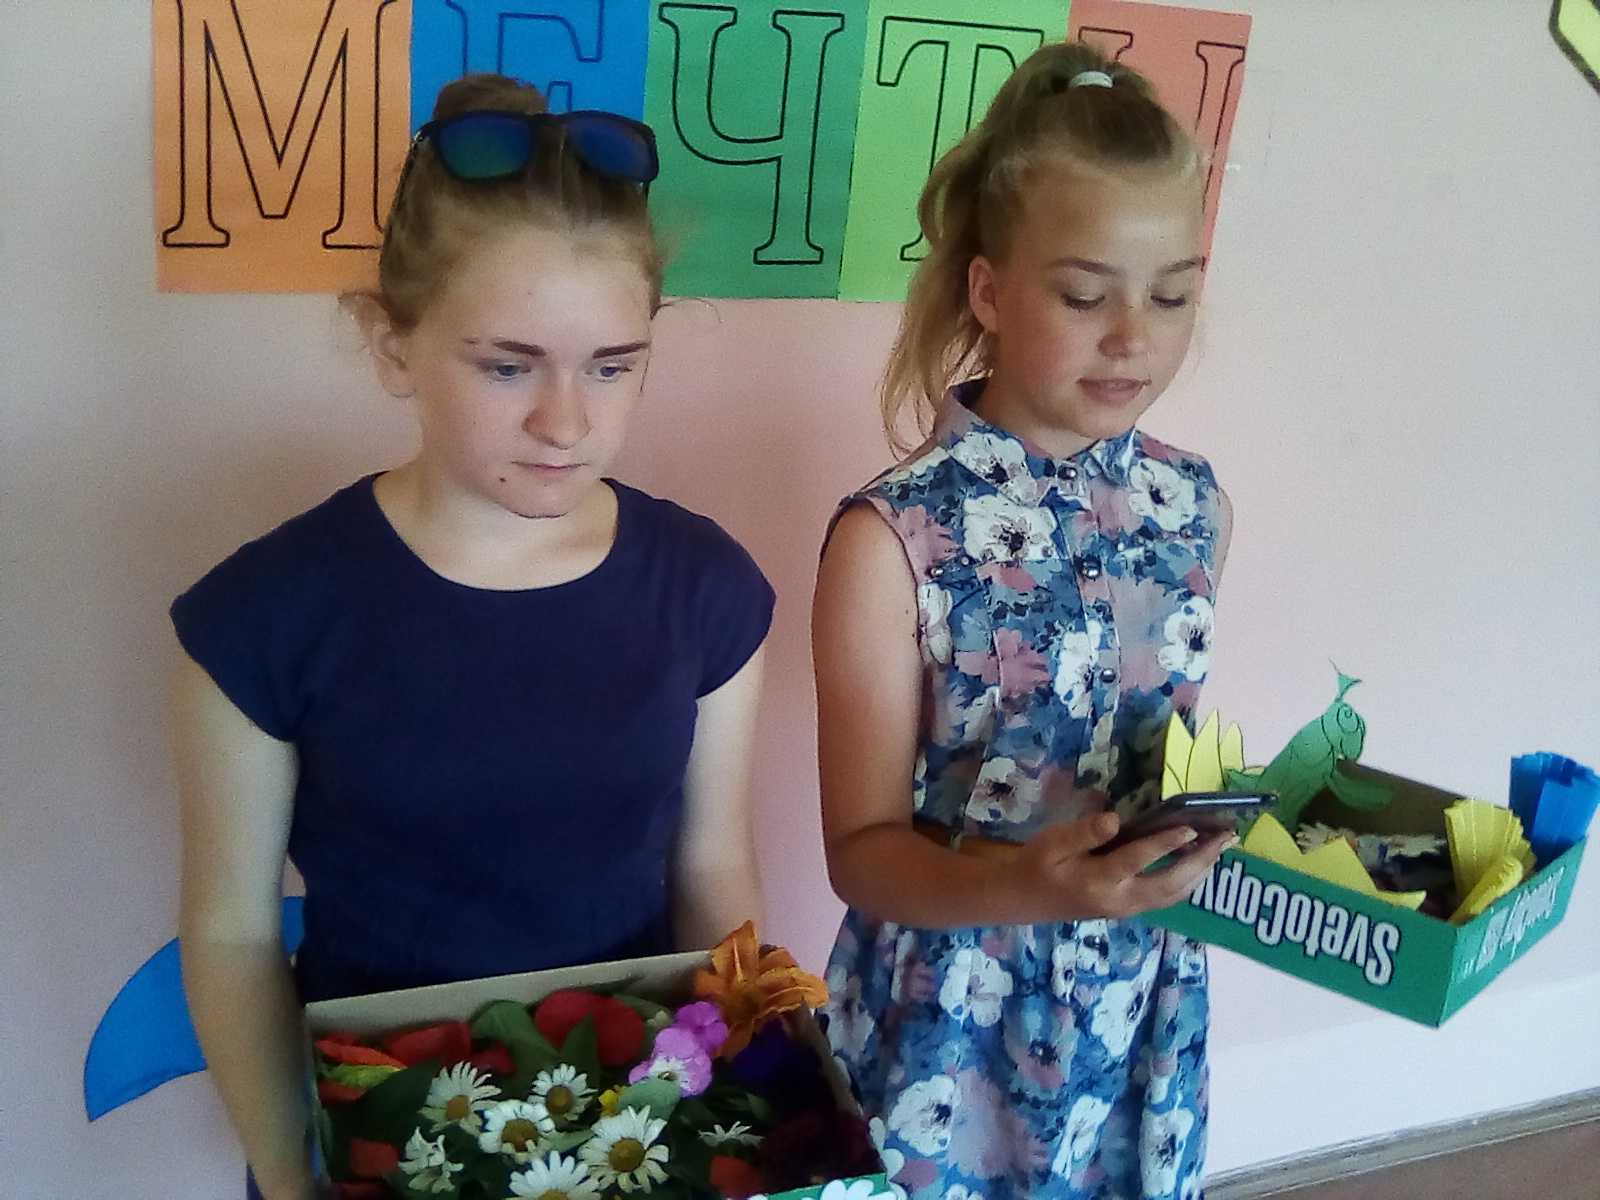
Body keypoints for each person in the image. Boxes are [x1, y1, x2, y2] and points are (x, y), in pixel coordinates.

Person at [170, 75, 772, 1200]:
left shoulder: (707, 589)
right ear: (391, 345)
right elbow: (232, 936)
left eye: (612, 365)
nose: (566, 421)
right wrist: (290, 1175)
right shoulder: (264, 618)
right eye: (507, 366)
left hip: (626, 1127)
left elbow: (711, 871)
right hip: (380, 1141)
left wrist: (740, 1117)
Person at [814, 43, 1236, 1200]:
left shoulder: (1195, 506)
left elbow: (1156, 766)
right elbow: (860, 855)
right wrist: (1035, 887)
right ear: (990, 291)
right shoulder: (891, 540)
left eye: (1171, 294)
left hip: (1139, 998)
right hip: (951, 1028)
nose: (1133, 336)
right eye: (1085, 295)